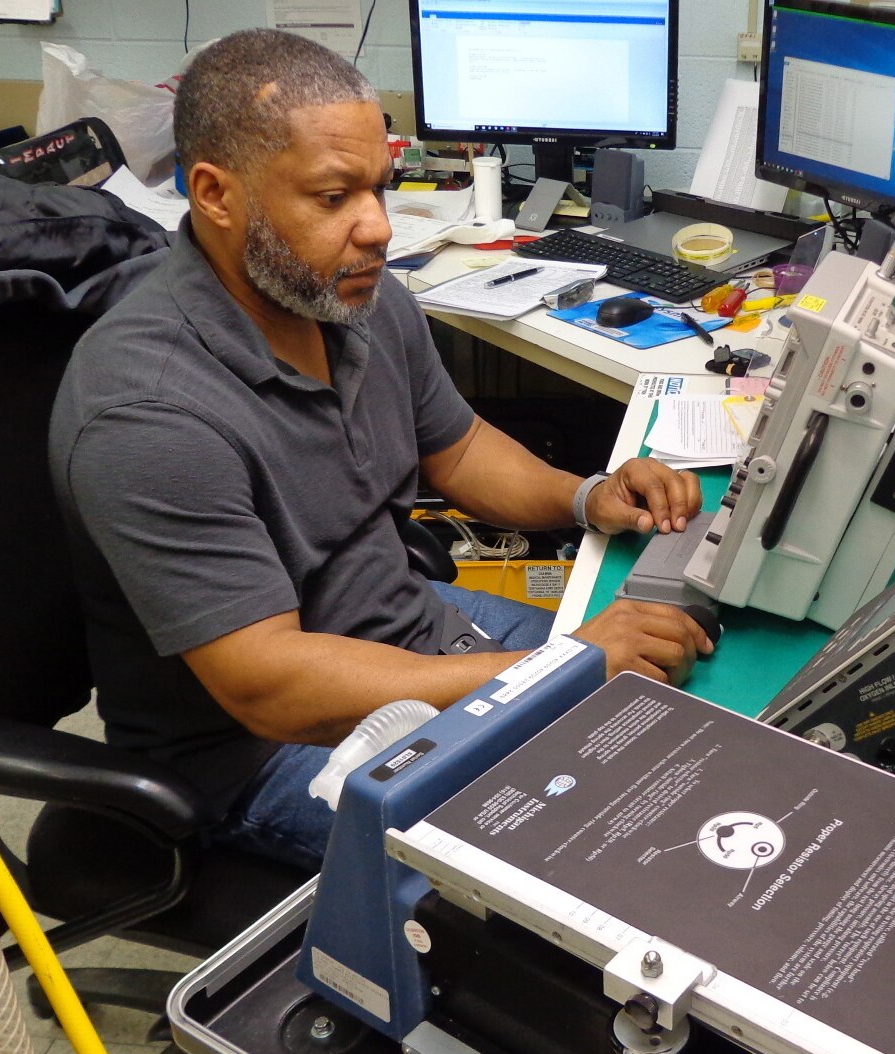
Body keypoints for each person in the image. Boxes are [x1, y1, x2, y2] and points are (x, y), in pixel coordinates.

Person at [50, 28, 714, 871]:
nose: (378, 228)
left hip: (412, 633)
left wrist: (585, 496)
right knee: (603, 855)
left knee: (670, 699)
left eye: (380, 188)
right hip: (265, 752)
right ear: (216, 193)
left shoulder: (350, 296)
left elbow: (460, 449)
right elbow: (269, 686)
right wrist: (555, 671)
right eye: (333, 197)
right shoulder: (146, 412)